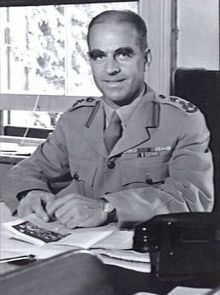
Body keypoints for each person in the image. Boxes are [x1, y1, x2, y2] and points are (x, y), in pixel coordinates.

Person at [3, 10, 214, 229]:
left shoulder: (181, 120)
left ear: (146, 58)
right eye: (99, 56)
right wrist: (30, 192)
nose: (111, 69)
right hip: (73, 246)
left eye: (123, 54)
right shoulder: (75, 120)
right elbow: (26, 170)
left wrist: (108, 208)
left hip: (140, 253)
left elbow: (192, 197)